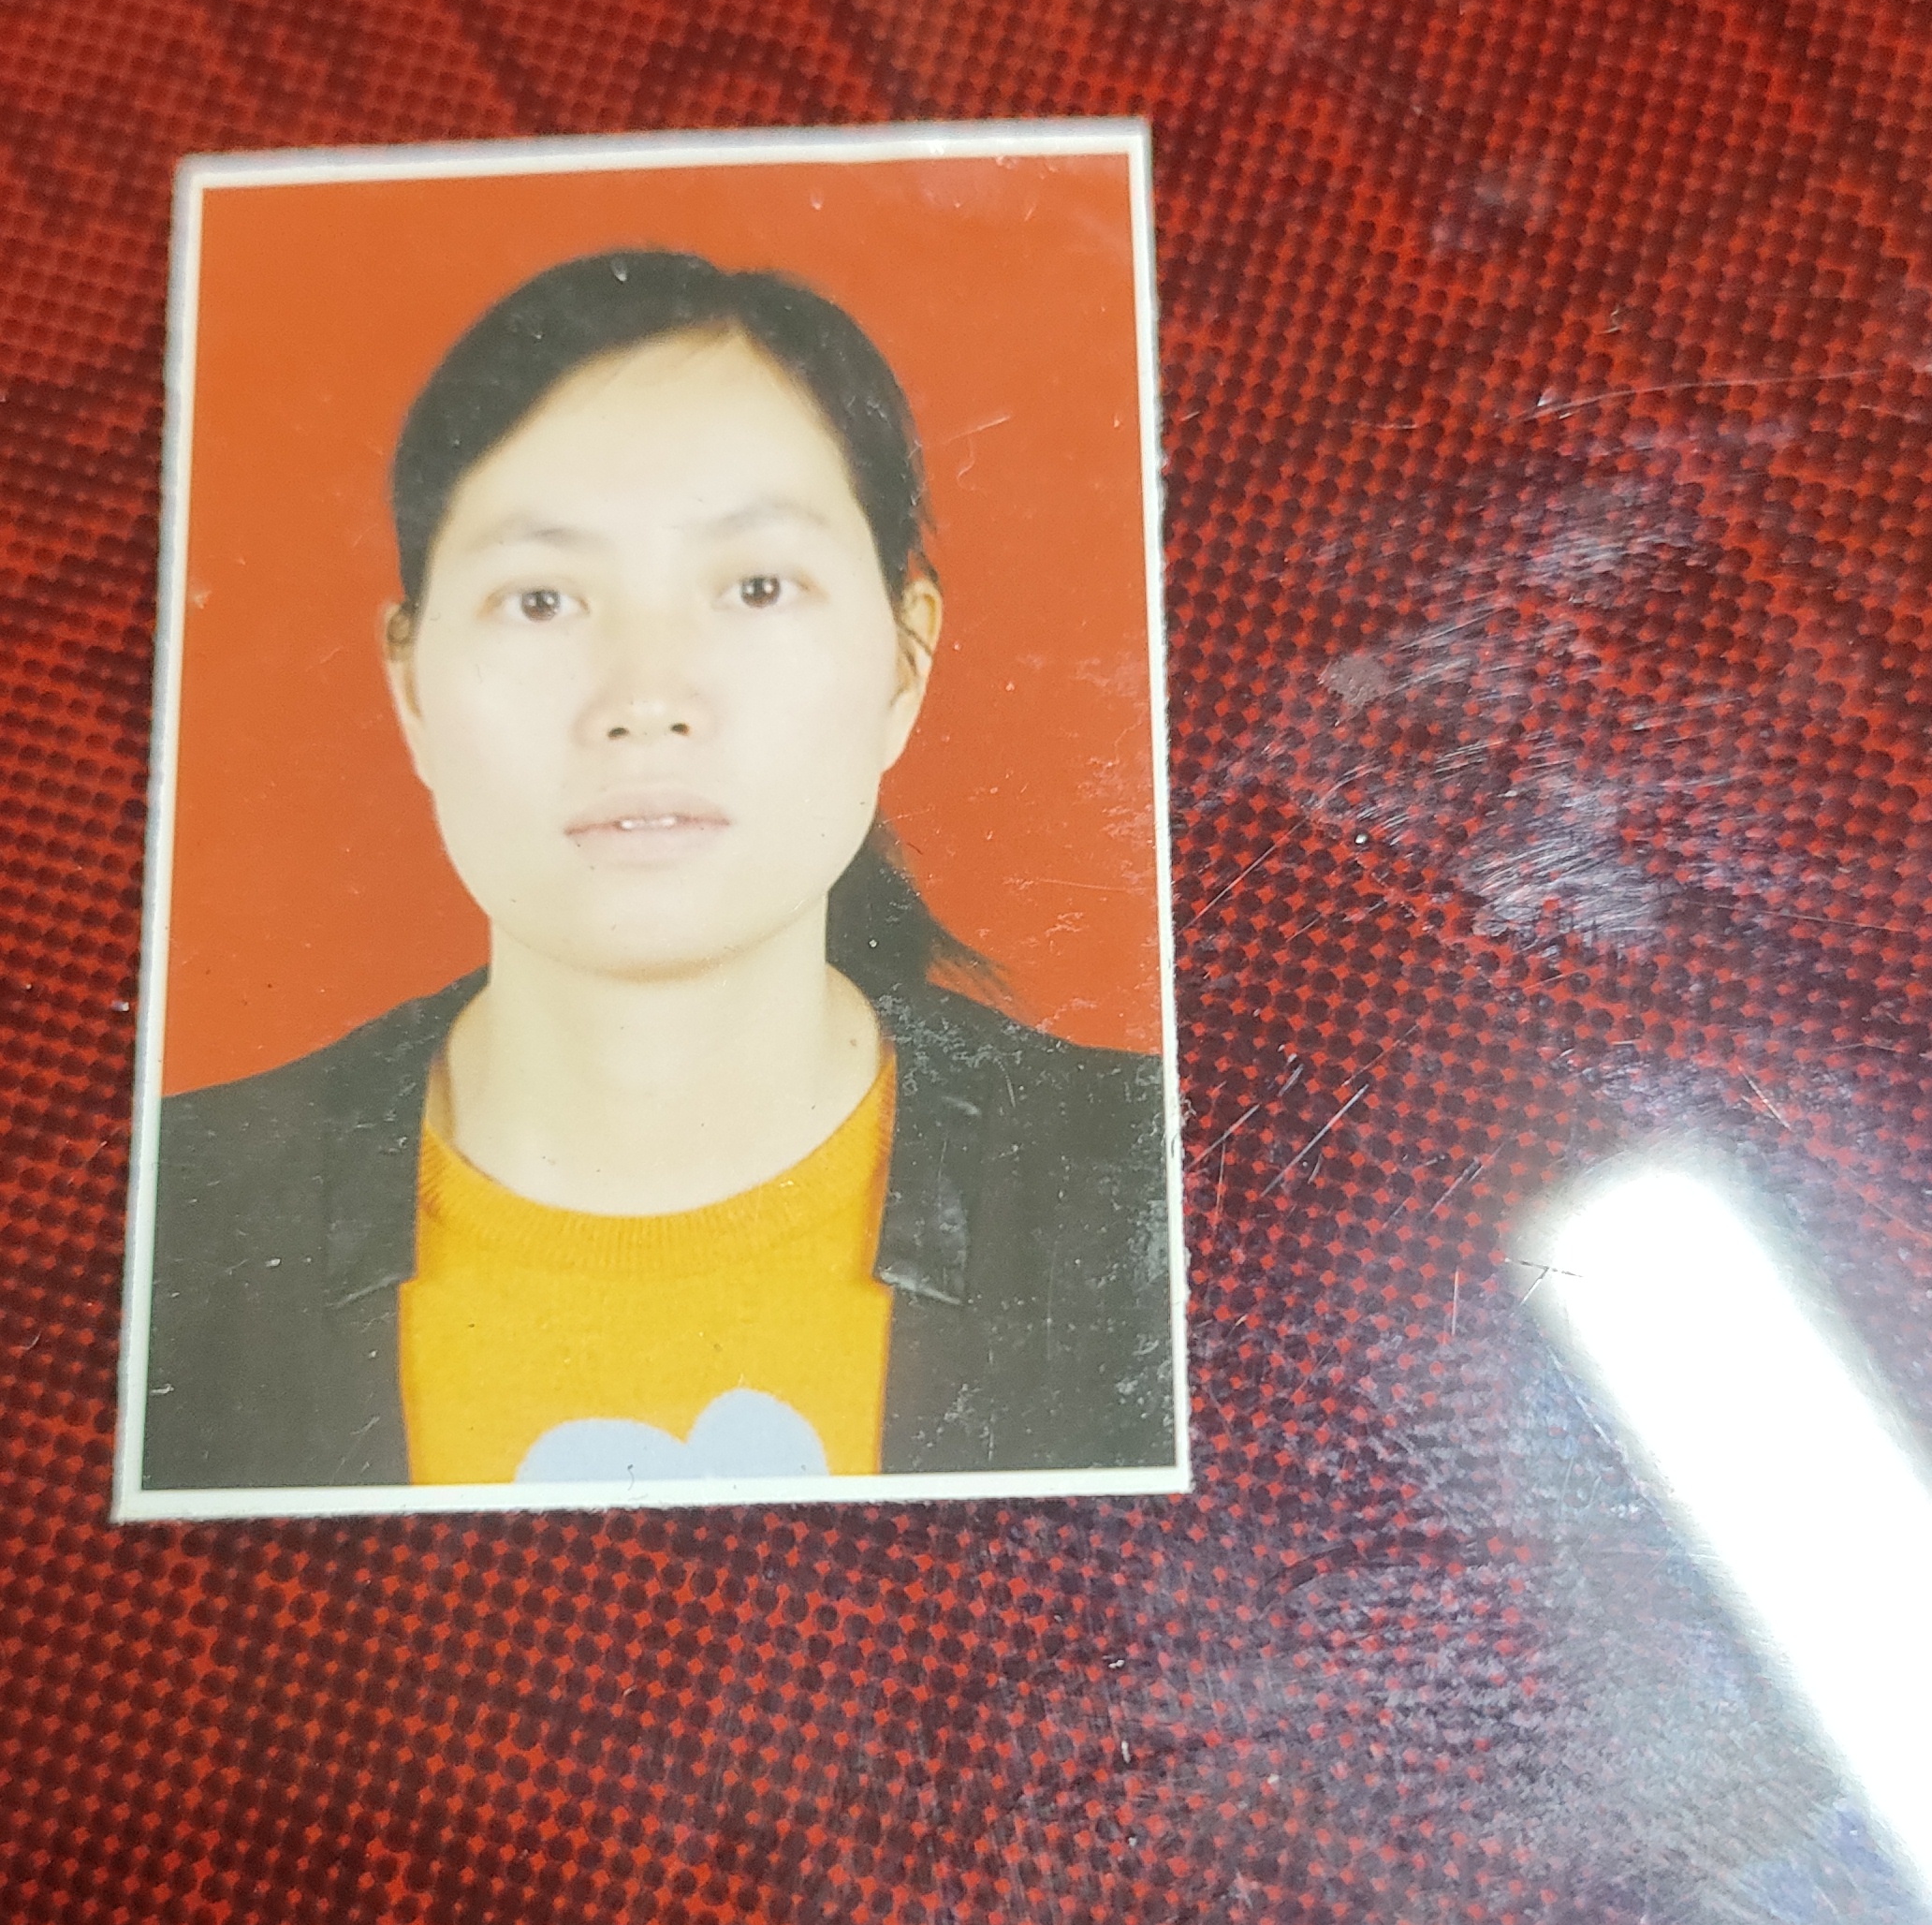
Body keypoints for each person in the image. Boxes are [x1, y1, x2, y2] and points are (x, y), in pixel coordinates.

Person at [142, 247, 1179, 1497]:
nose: (645, 699)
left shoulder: (1169, 1190)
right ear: (410, 686)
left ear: (905, 663)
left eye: (756, 586)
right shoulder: (157, 1224)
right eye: (541, 600)